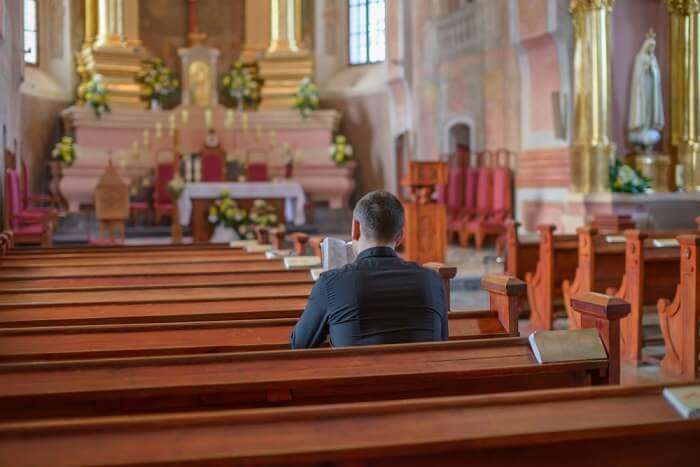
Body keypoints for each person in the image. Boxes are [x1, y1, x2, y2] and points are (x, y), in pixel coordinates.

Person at [290, 190, 448, 349]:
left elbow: (299, 345)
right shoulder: (432, 280)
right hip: (422, 373)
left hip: (356, 373)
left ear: (355, 228)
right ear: (401, 236)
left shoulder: (331, 283)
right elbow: (443, 342)